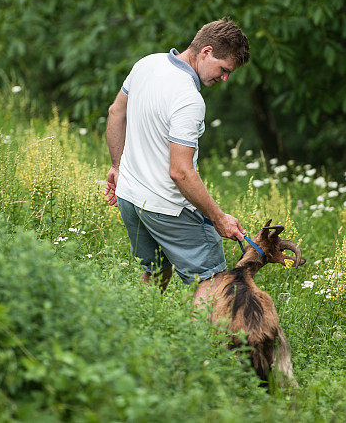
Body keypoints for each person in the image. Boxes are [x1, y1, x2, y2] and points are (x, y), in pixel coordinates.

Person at [104, 18, 249, 303]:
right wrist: (218, 218)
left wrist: (117, 166)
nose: (224, 79)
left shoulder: (147, 63)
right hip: (166, 207)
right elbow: (180, 172)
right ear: (206, 52)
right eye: (223, 69)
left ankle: (138, 329)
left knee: (156, 271)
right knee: (215, 280)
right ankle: (201, 347)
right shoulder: (189, 99)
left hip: (130, 199)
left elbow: (114, 113)